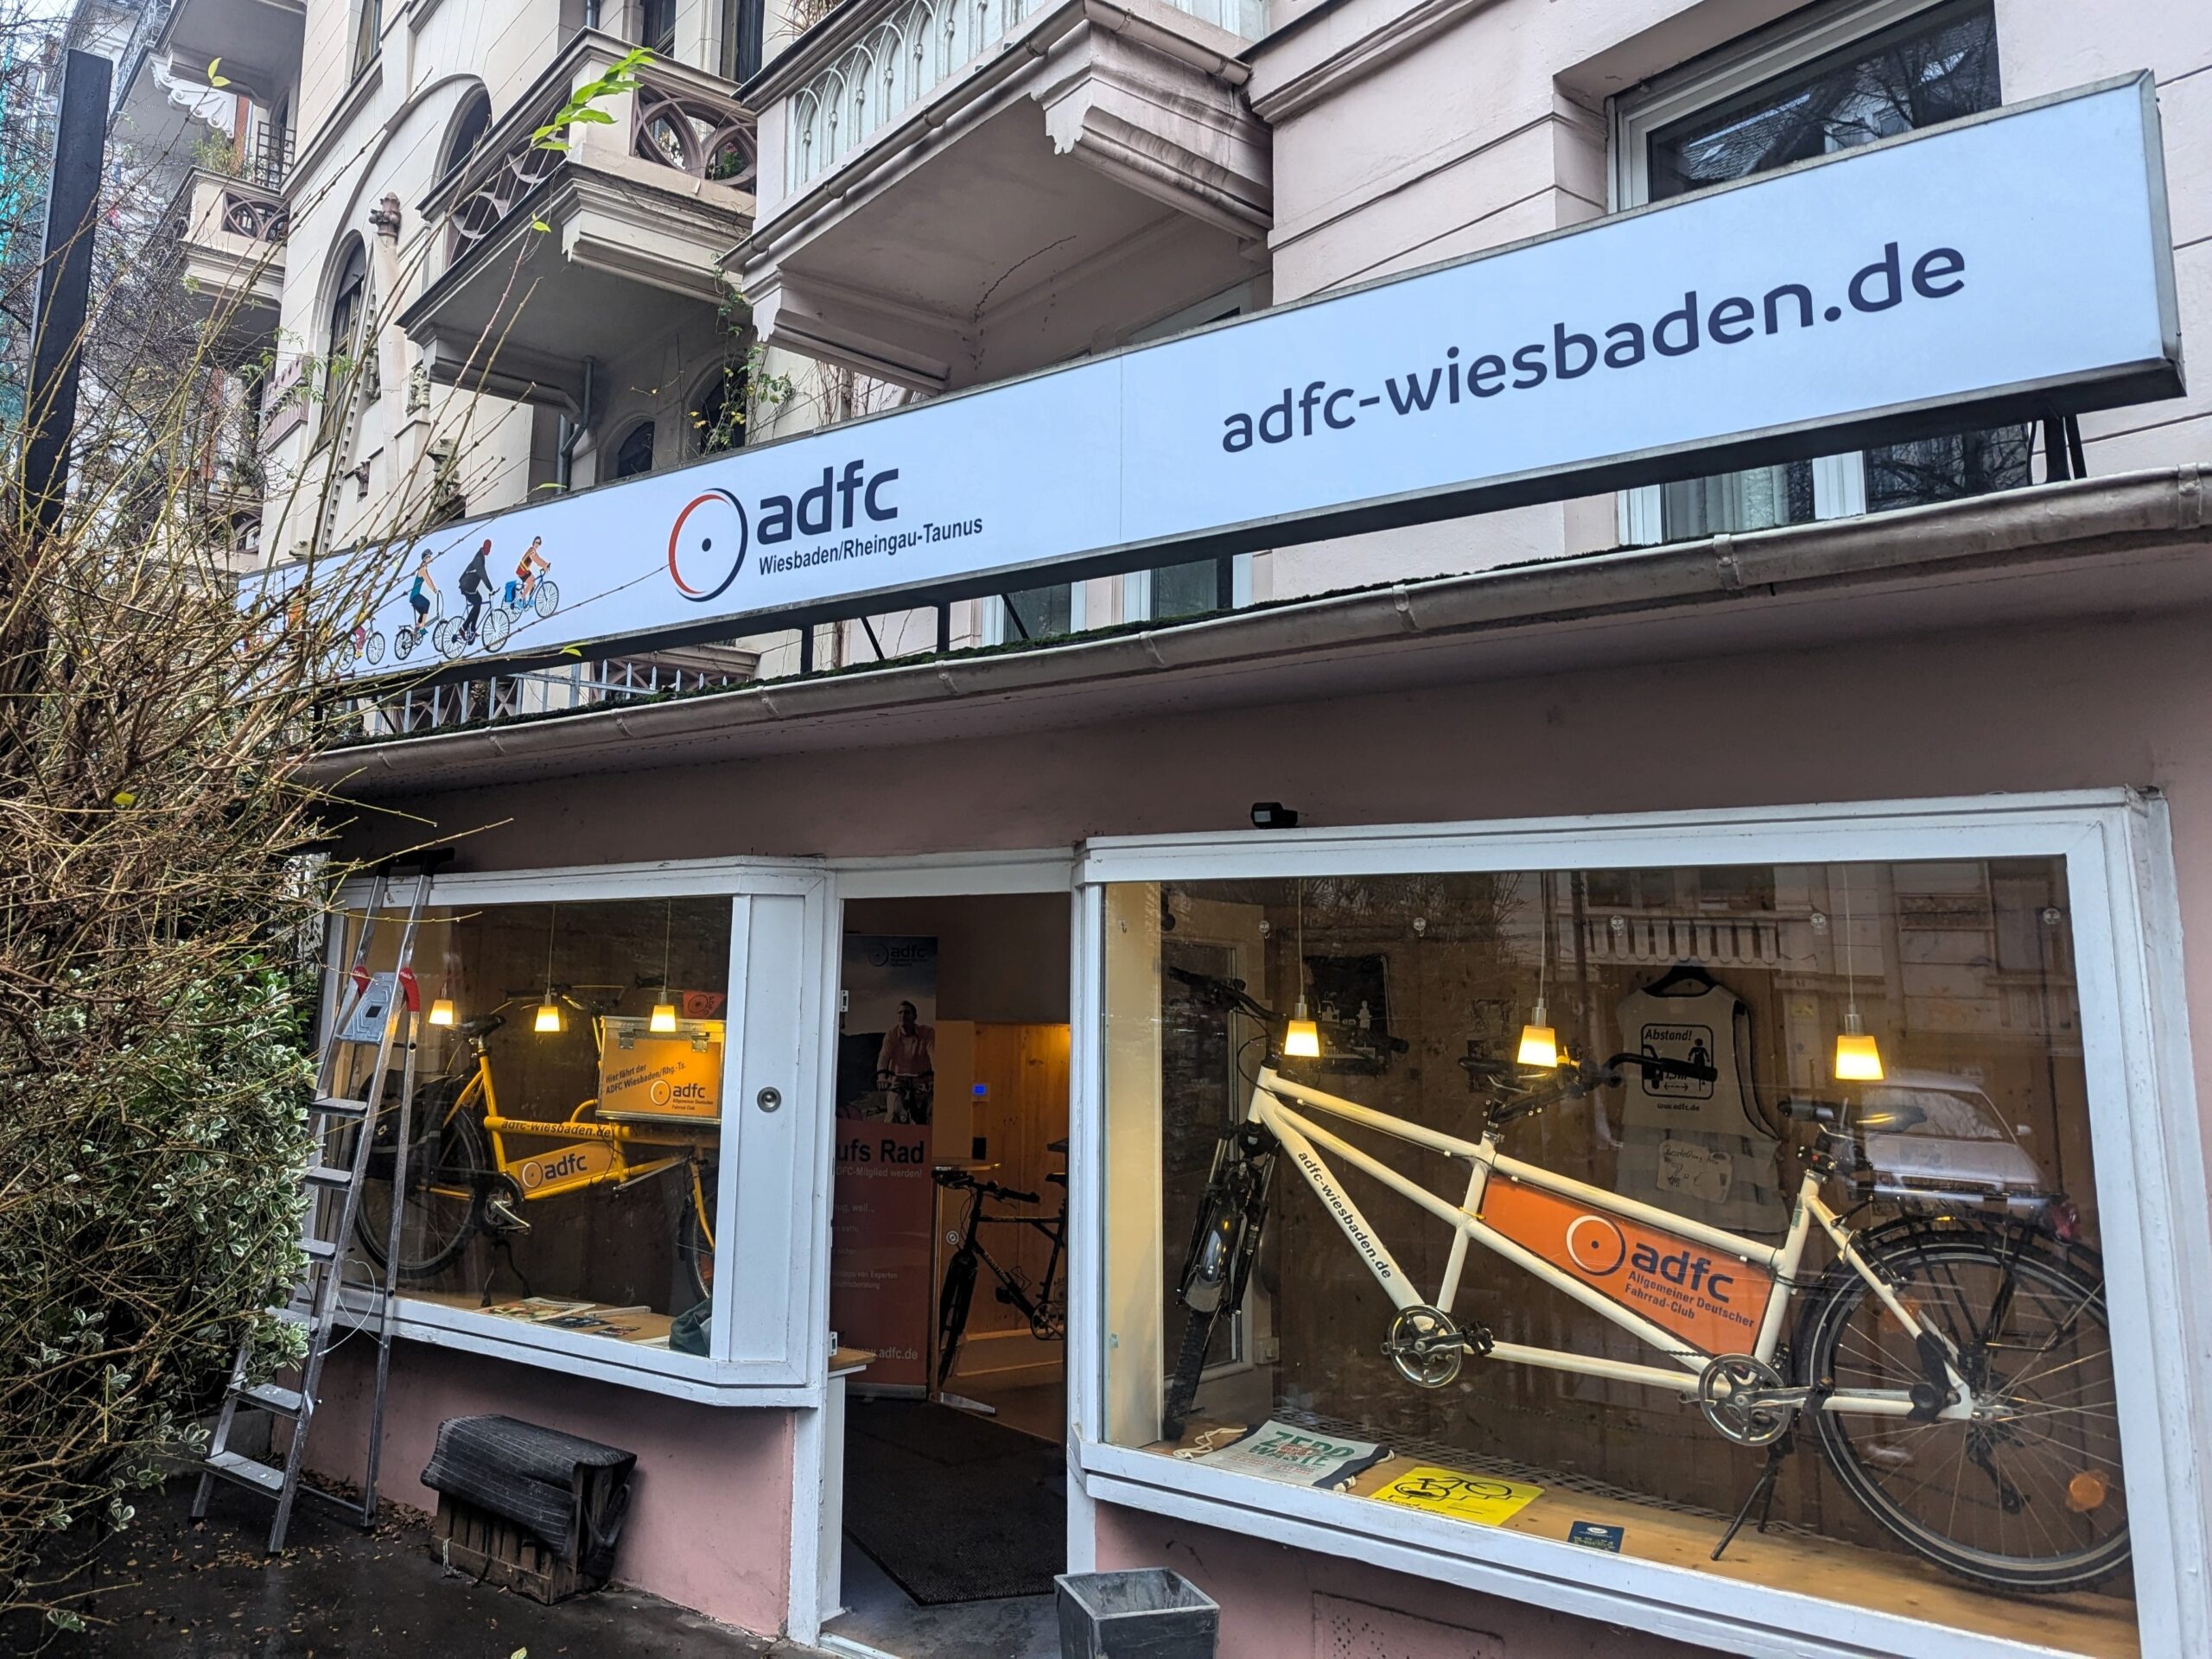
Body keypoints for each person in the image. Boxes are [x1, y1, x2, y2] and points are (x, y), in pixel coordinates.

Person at [875, 1000, 936, 1121]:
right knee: (893, 1113)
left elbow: (935, 1056)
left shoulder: (927, 1033)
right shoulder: (891, 1035)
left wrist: (936, 1078)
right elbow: (883, 1057)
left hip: (920, 1083)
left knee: (925, 1115)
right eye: (900, 1012)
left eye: (907, 1012)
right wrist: (882, 1077)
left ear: (914, 1017)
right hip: (898, 1083)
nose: (903, 1016)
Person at [456, 538, 492, 641]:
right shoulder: (478, 558)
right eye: (488, 548)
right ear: (486, 548)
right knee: (477, 604)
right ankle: (463, 628)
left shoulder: (481, 556)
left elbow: (483, 573)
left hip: (470, 586)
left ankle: (472, 629)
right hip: (467, 586)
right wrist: (491, 589)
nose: (489, 551)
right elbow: (483, 575)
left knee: (479, 601)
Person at [513, 536, 550, 605]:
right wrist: (544, 566)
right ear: (533, 542)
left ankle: (529, 600)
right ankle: (520, 599)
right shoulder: (531, 551)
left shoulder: (534, 551)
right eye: (536, 542)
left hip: (525, 571)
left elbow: (539, 559)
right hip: (521, 571)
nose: (537, 544)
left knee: (534, 579)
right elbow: (537, 561)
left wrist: (546, 564)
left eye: (539, 543)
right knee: (531, 583)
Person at [408, 549, 439, 630]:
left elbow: (429, 579)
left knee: (423, 611)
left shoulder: (424, 567)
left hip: (415, 596)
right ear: (426, 558)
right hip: (415, 596)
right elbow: (427, 580)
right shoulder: (422, 569)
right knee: (427, 603)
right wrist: (434, 589)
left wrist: (434, 588)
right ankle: (422, 626)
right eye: (429, 557)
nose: (430, 558)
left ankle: (416, 630)